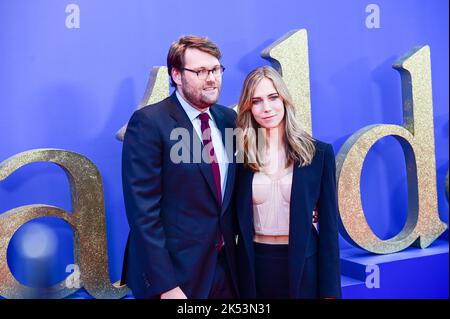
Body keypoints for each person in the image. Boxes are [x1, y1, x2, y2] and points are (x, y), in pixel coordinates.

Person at [120, 35, 238, 299]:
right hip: (176, 278)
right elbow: (143, 213)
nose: (211, 78)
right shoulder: (149, 123)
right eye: (200, 71)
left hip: (226, 273)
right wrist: (166, 285)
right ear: (176, 74)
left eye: (216, 69)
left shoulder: (228, 120)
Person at [235, 66, 341, 299]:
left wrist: (331, 291)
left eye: (273, 97)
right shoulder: (240, 156)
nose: (267, 108)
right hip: (255, 266)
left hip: (304, 264)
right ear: (248, 107)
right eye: (256, 101)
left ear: (284, 99)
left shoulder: (318, 153)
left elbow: (329, 227)